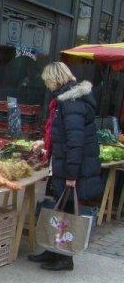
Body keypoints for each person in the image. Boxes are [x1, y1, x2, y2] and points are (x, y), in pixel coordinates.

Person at [28, 62, 102, 271]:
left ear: (54, 78)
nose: (47, 85)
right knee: (59, 208)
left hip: (71, 168)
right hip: (63, 163)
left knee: (67, 211)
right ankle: (53, 250)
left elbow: (75, 141)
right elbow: (65, 135)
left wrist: (72, 174)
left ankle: (65, 258)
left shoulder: (72, 102)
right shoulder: (68, 99)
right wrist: (47, 143)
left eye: (47, 81)